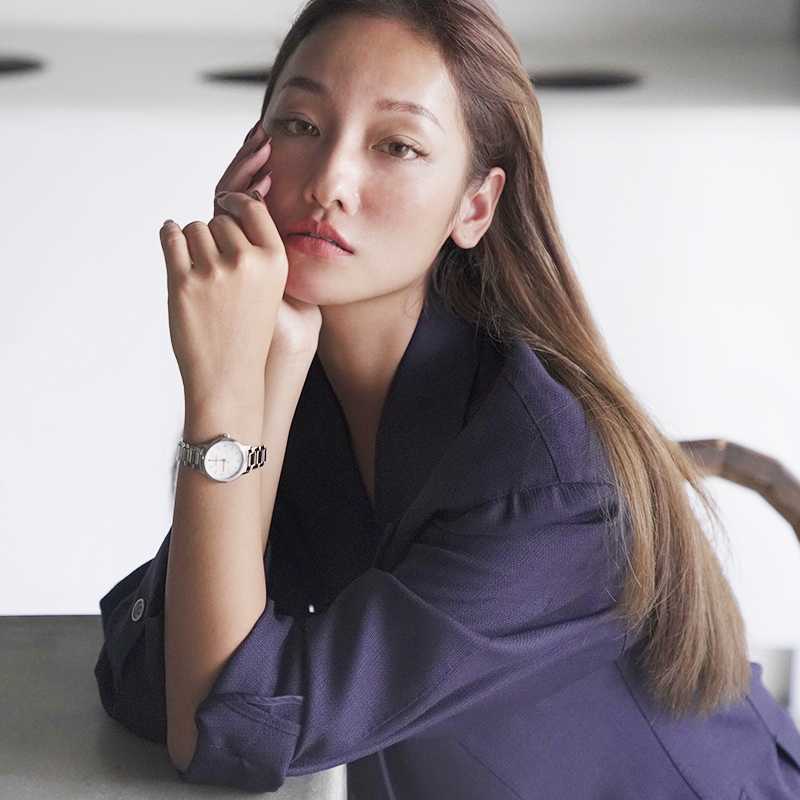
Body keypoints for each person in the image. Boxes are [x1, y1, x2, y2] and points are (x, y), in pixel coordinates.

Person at [94, 0, 800, 796]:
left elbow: (225, 732)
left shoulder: (543, 485)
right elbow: (155, 684)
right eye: (300, 125)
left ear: (474, 206)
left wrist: (224, 395)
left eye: (396, 145)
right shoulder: (317, 398)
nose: (328, 183)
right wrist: (272, 364)